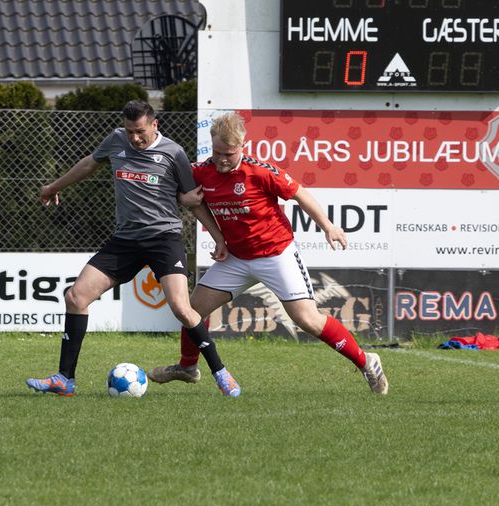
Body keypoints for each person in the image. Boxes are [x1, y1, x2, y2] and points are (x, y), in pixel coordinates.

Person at [148, 111, 389, 394]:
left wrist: (328, 226)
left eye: (229, 153)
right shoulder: (202, 171)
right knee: (192, 309)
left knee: (307, 320)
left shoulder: (260, 172)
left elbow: (300, 194)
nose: (222, 159)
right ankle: (187, 367)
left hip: (276, 255)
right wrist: (186, 201)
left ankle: (367, 362)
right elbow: (181, 194)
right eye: (217, 152)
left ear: (242, 147)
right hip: (236, 259)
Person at [25, 101, 237, 396]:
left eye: (140, 132)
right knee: (76, 296)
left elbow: (192, 198)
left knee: (181, 308)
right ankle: (64, 379)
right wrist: (54, 186)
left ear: (154, 125)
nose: (134, 138)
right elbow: (89, 163)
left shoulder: (173, 152)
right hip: (125, 240)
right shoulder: (115, 140)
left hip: (164, 239)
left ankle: (221, 374)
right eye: (129, 131)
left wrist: (218, 238)